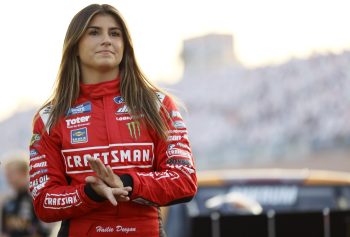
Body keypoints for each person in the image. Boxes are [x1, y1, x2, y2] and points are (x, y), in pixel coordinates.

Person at [29, 3, 197, 237]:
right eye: (94, 32)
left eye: (115, 33)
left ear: (125, 46)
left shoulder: (157, 104)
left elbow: (184, 180)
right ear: (75, 45)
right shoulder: (50, 116)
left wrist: (127, 182)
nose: (107, 40)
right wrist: (91, 193)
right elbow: (43, 201)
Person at [1, 158, 50, 237]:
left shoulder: (38, 198)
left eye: (10, 174)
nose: (8, 178)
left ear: (23, 173)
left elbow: (45, 231)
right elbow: (5, 232)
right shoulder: (7, 202)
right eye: (6, 175)